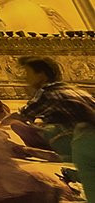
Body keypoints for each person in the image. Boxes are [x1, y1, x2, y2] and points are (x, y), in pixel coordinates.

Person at [13, 56, 95, 193]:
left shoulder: (46, 92)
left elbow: (22, 115)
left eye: (28, 74)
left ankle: (43, 154)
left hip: (82, 139)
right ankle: (68, 170)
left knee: (21, 125)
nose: (25, 79)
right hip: (83, 137)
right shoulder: (73, 89)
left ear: (41, 75)